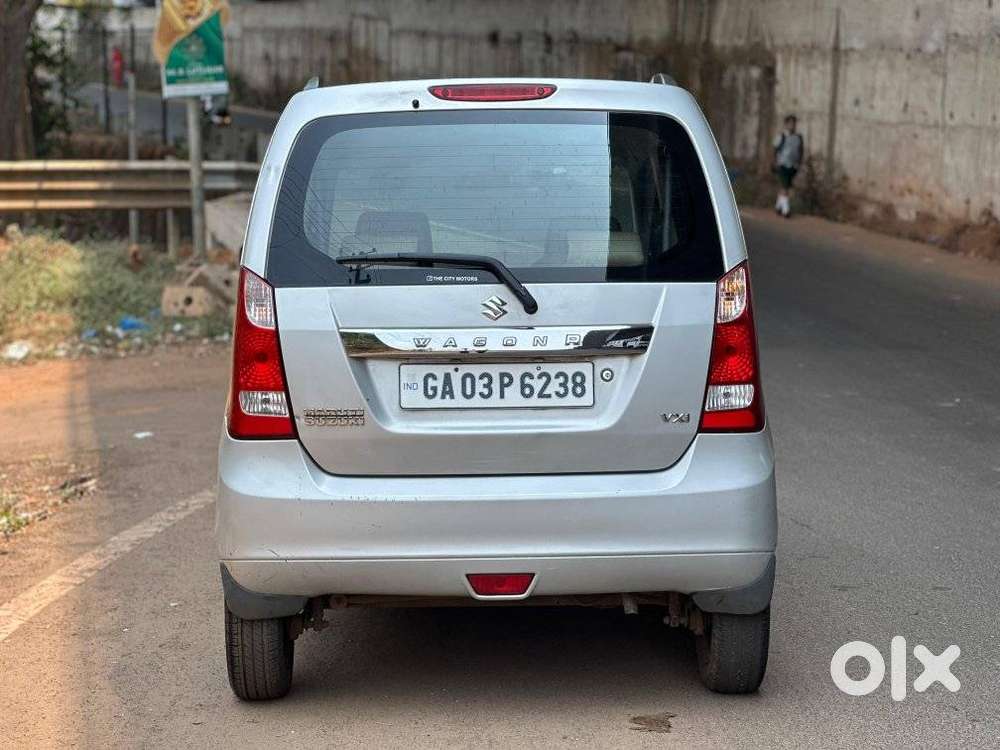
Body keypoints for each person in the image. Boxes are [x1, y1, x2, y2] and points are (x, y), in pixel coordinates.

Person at [773, 114, 803, 217]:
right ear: (786, 124)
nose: (792, 126)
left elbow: (800, 151)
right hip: (782, 164)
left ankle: (778, 206)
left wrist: (799, 163)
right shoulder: (781, 136)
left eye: (794, 123)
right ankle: (786, 210)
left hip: (793, 166)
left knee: (786, 187)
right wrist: (775, 162)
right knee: (785, 186)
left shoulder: (798, 137)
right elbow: (775, 150)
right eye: (790, 123)